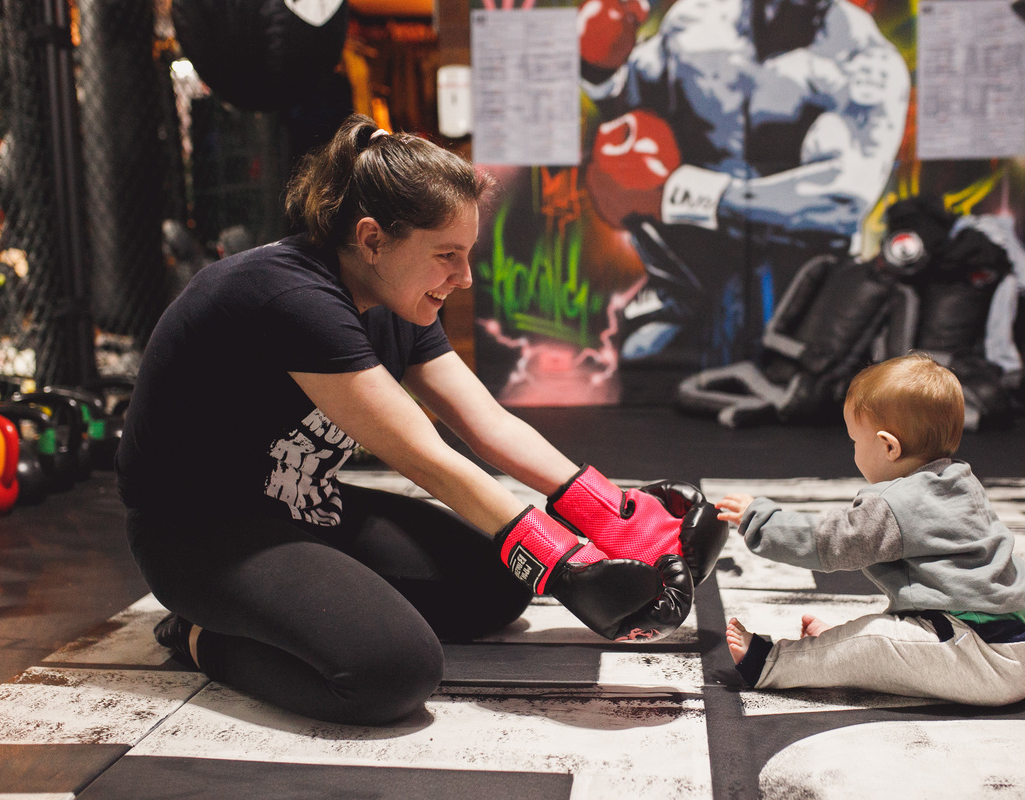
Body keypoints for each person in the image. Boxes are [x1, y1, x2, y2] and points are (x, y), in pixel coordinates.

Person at [117, 114, 727, 726]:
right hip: (200, 534)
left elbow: (486, 423)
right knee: (392, 672)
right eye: (446, 255)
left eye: (467, 254)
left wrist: (615, 514)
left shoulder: (392, 296)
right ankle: (199, 635)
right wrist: (560, 561)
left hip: (307, 506)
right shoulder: (291, 296)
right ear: (372, 240)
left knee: (499, 588)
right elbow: (424, 456)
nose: (464, 278)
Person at [579, 0, 910, 369]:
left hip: (799, 285)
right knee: (650, 364)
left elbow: (842, 198)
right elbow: (633, 96)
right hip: (693, 278)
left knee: (795, 383)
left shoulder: (865, 62)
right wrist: (599, 70)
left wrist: (677, 194)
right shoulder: (694, 20)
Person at [715, 353, 1025, 706]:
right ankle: (845, 653)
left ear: (889, 446)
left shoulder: (898, 504)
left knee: (873, 640)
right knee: (890, 635)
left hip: (984, 659)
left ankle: (769, 663)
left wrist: (762, 520)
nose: (854, 451)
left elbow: (830, 543)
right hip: (1015, 644)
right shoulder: (959, 480)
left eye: (856, 441)